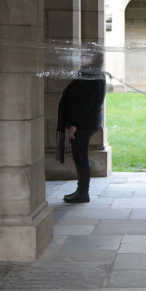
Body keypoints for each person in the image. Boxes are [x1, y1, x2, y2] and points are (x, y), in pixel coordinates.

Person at [56, 55, 106, 203]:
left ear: (93, 59)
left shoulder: (91, 75)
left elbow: (86, 102)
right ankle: (81, 190)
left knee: (80, 158)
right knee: (80, 157)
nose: (81, 57)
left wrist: (74, 125)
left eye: (86, 56)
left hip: (83, 124)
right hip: (86, 122)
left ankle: (83, 192)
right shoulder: (91, 73)